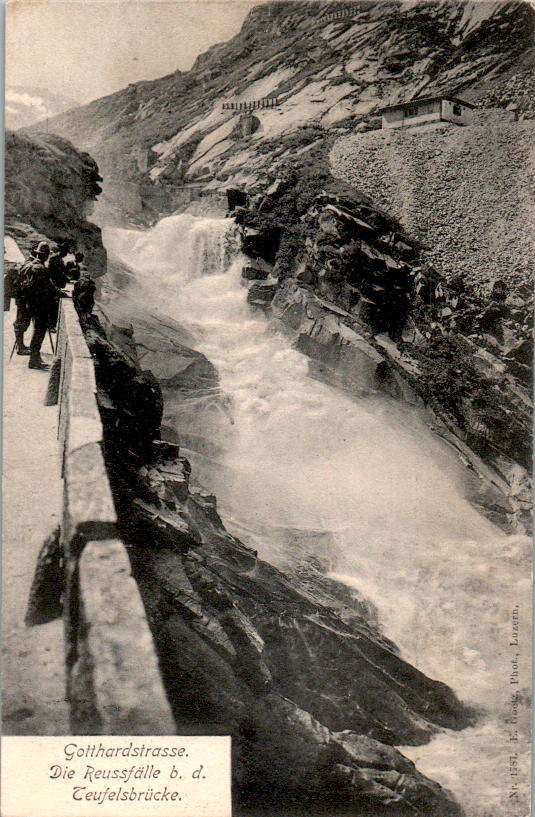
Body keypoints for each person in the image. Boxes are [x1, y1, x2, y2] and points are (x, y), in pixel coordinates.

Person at [19, 241, 62, 370]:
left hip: (29, 304)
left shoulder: (28, 265)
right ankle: (34, 360)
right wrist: (60, 294)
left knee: (37, 331)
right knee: (39, 332)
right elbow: (49, 287)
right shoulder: (41, 268)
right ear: (46, 255)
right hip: (40, 306)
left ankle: (35, 358)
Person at [47, 242, 70, 330]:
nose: (66, 253)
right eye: (66, 251)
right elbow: (53, 273)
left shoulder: (59, 259)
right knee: (53, 306)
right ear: (62, 251)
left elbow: (61, 272)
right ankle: (50, 325)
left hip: (57, 285)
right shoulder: (54, 259)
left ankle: (51, 325)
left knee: (54, 306)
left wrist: (66, 278)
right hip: (53, 285)